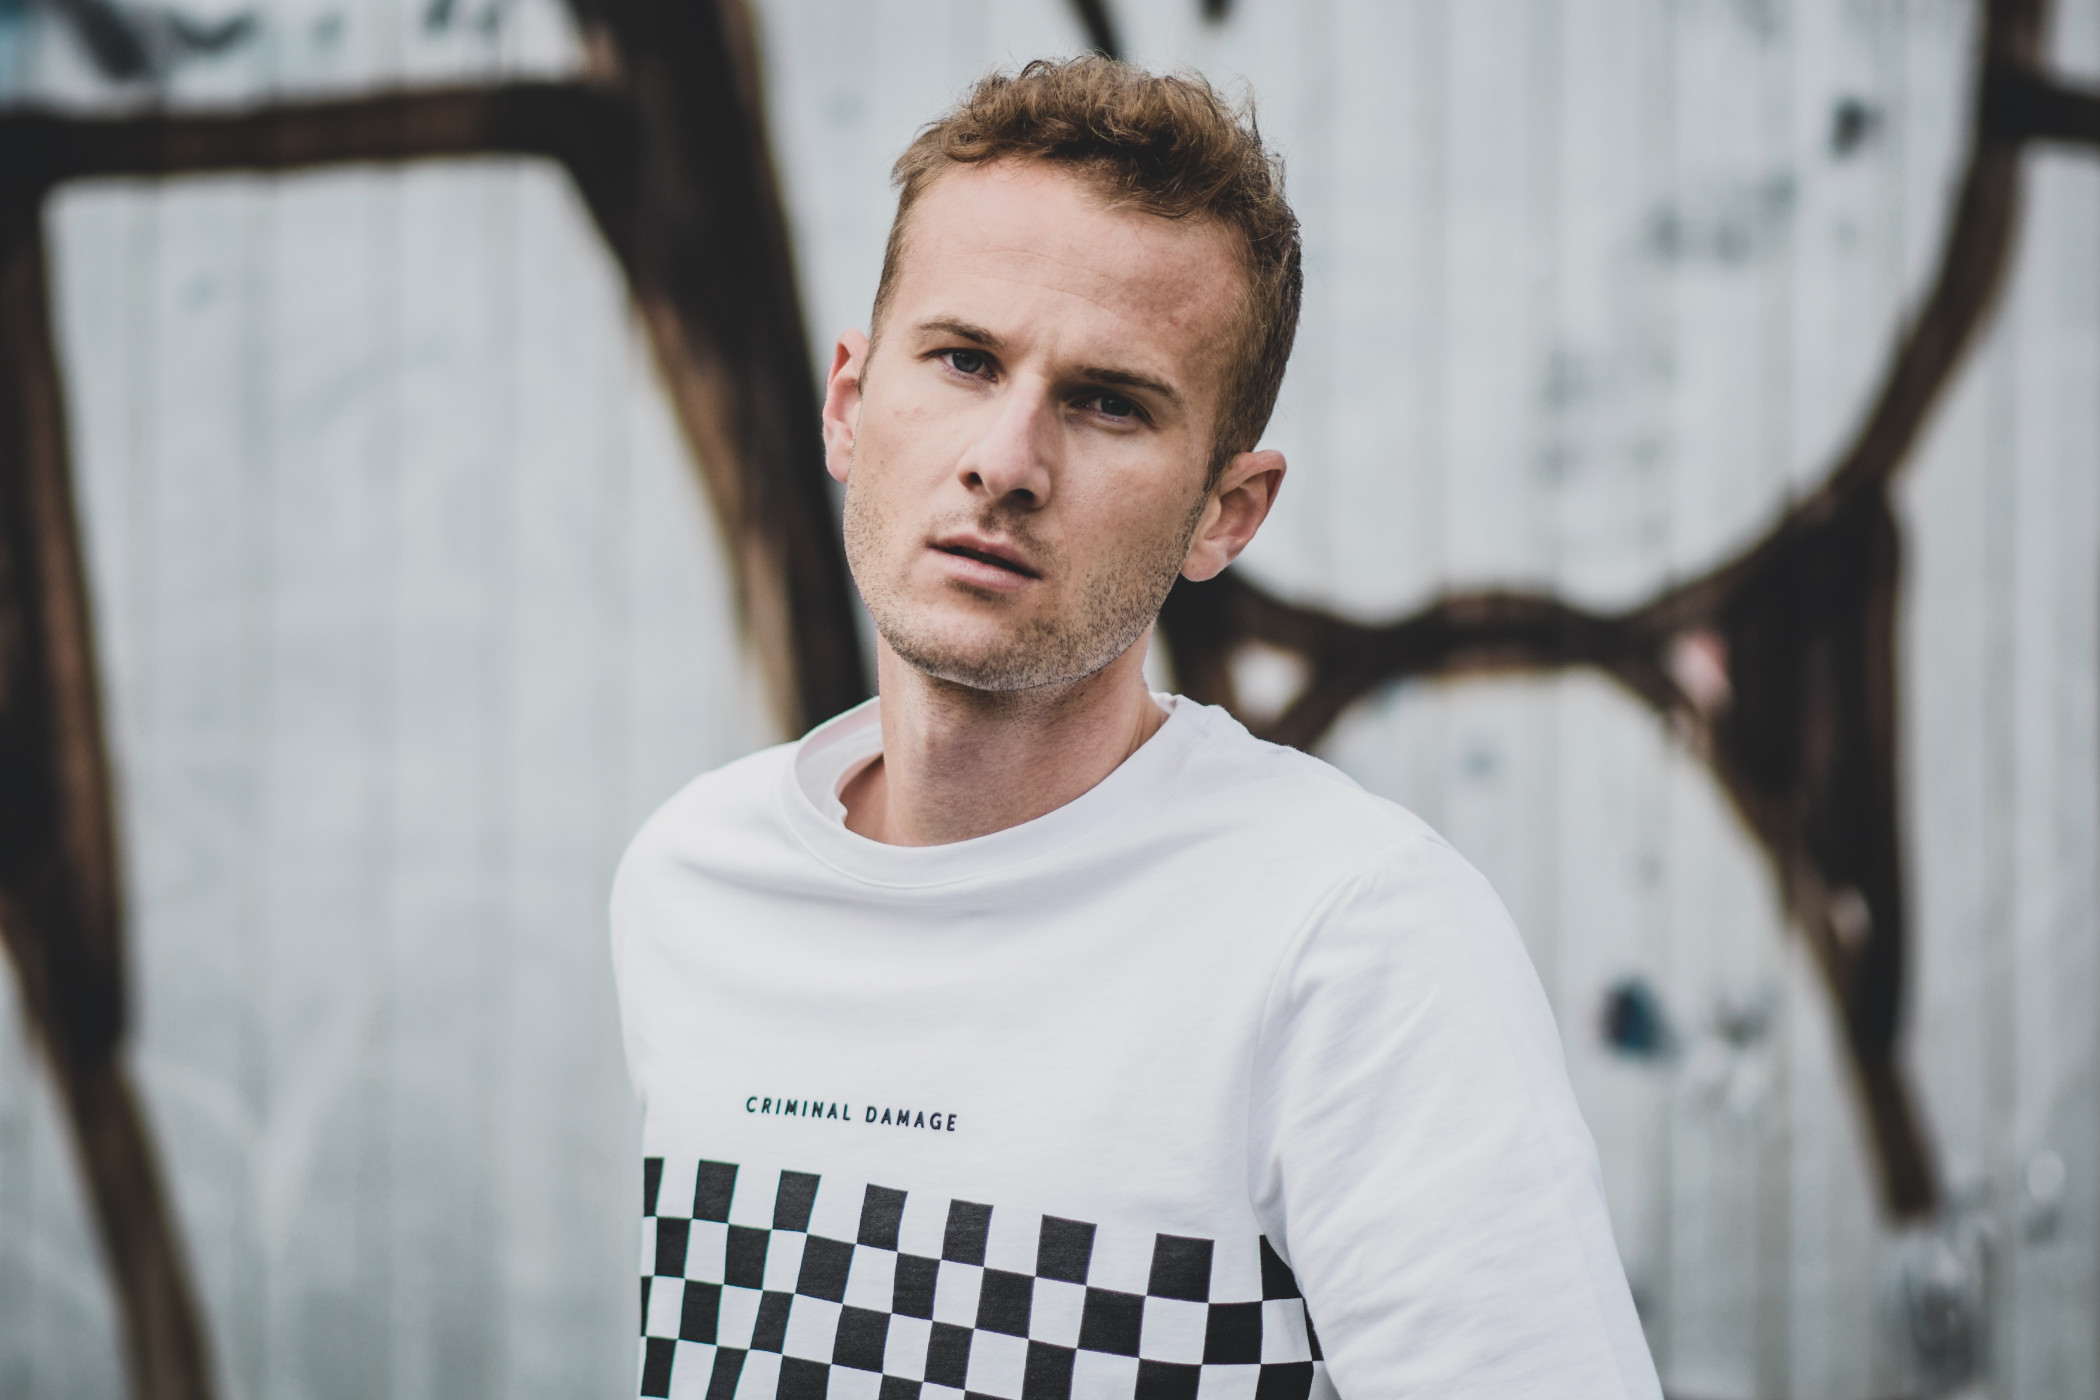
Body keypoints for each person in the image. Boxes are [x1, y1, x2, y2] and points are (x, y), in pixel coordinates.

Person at [613, 56, 1661, 1400]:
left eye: (1109, 401)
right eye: (963, 360)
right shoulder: (694, 882)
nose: (1005, 461)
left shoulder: (1351, 943)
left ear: (1227, 512)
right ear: (849, 406)